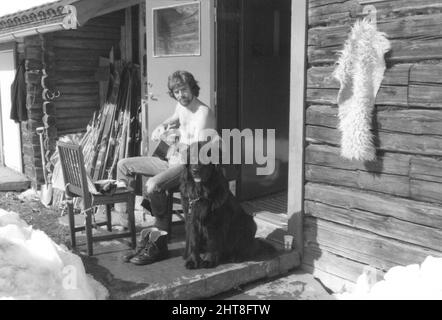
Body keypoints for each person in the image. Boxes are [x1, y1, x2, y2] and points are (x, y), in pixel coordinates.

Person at [115, 70, 216, 265]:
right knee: (124, 165)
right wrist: (162, 127)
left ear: (192, 88)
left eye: (184, 90)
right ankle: (128, 228)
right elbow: (174, 118)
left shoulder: (203, 113)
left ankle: (159, 241)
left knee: (153, 185)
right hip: (171, 160)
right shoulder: (181, 105)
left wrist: (174, 143)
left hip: (189, 167)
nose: (180, 95)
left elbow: (198, 152)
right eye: (176, 91)